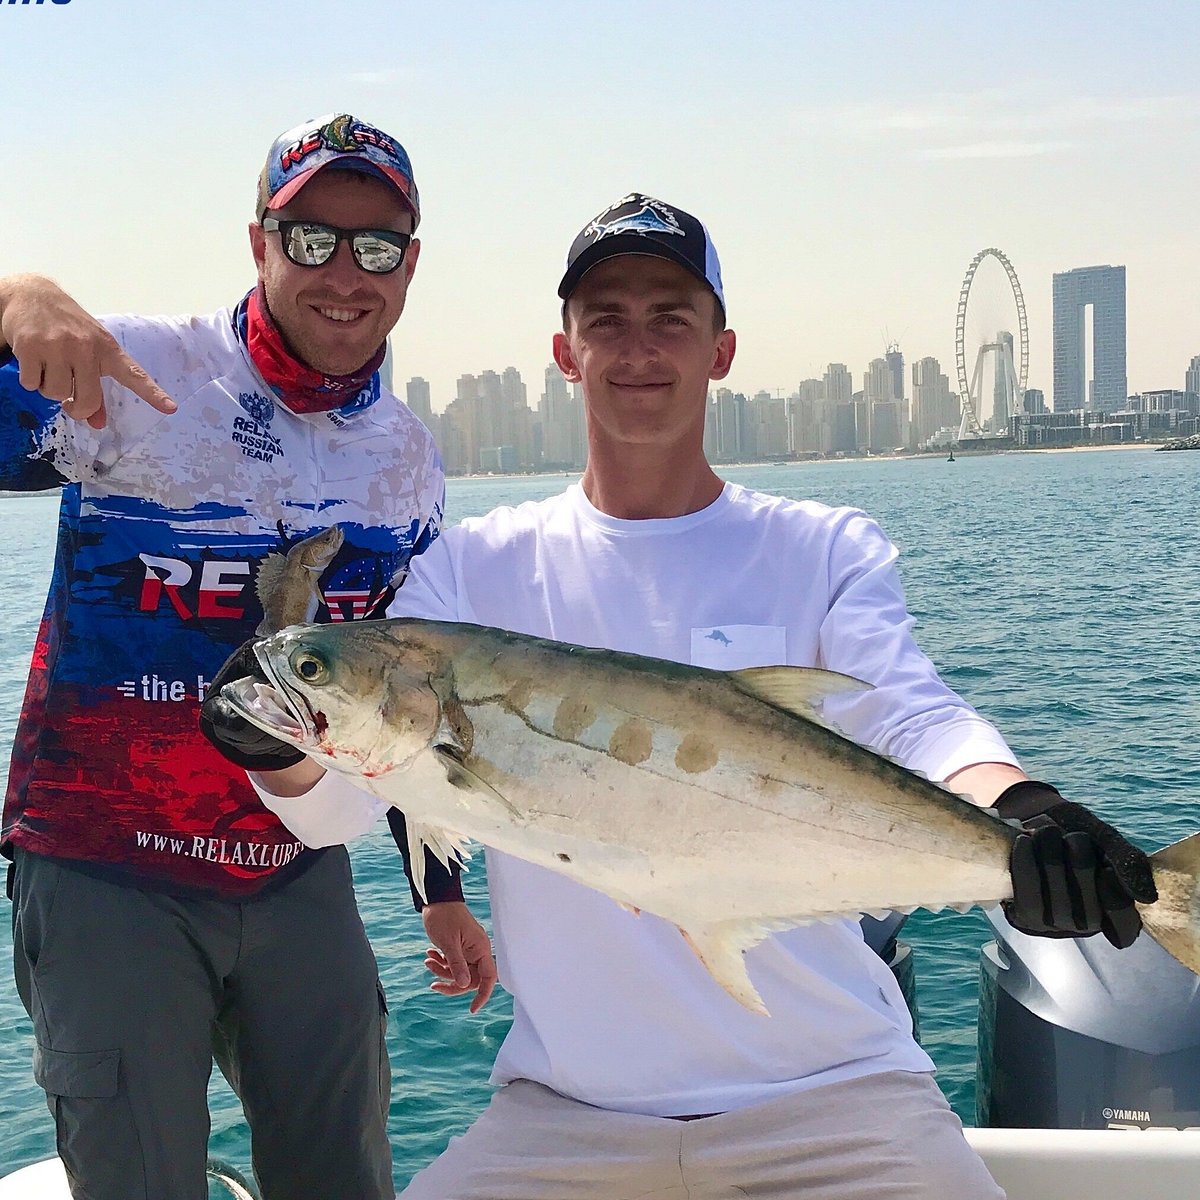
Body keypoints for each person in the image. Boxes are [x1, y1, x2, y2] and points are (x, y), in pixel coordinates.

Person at [218, 193, 1156, 1198]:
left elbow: (909, 713)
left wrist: (1018, 806)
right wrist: (276, 742)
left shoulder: (821, 548)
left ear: (722, 349)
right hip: (565, 1117)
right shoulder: (471, 572)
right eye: (606, 320)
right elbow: (334, 813)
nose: (638, 347)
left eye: (671, 317)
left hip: (841, 1096)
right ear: (564, 351)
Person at [0, 113, 493, 1200]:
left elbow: (407, 701)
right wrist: (13, 292)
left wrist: (440, 891)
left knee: (344, 1180)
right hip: (105, 870)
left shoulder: (407, 462)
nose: (345, 273)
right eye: (312, 237)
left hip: (294, 870)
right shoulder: (136, 374)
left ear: (411, 264)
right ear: (259, 240)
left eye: (376, 245)